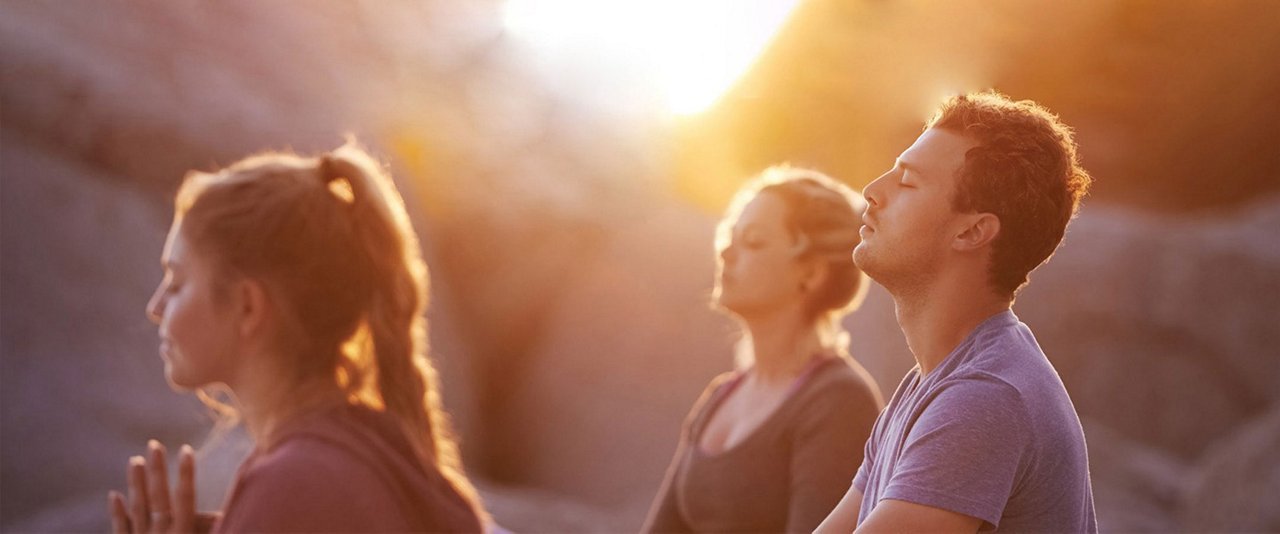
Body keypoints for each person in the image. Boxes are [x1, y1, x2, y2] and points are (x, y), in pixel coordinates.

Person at [108, 140, 488, 532]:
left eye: (177, 282)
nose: (154, 307)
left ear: (248, 307)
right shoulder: (368, 455)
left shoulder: (293, 487)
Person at [816, 91, 1097, 533]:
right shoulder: (925, 388)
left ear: (972, 231)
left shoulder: (986, 398)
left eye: (907, 182)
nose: (871, 192)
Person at [643, 167, 884, 533]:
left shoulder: (838, 401)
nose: (725, 251)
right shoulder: (720, 395)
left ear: (812, 273)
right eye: (730, 235)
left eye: (753, 241)